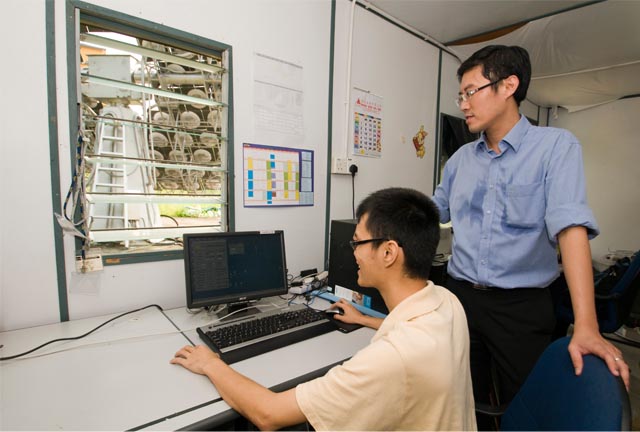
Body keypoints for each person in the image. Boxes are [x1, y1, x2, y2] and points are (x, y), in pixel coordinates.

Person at [430, 45, 630, 419]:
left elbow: (571, 229)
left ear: (508, 86)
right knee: (459, 397)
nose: (463, 104)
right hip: (460, 298)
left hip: (520, 307)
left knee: (523, 404)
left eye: (470, 91)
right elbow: (432, 212)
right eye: (460, 95)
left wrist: (586, 324)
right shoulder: (459, 160)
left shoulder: (555, 147)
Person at [171, 187, 476, 431]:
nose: (352, 251)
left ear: (388, 252)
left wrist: (210, 364)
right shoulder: (446, 302)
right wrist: (365, 319)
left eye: (357, 242)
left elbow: (268, 414)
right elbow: (410, 337)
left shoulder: (388, 360)